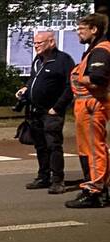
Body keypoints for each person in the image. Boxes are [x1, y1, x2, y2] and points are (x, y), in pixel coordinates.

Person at [15, 31, 74, 194]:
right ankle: (43, 176)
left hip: (52, 111)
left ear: (51, 42)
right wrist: (25, 88)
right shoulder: (38, 60)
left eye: (40, 43)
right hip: (35, 111)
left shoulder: (63, 60)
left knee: (53, 145)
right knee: (40, 145)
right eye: (35, 43)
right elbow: (34, 79)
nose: (36, 46)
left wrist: (58, 107)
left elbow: (71, 86)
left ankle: (58, 180)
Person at [65, 12, 110, 209]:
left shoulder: (101, 51)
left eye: (81, 29)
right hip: (87, 105)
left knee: (93, 149)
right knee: (89, 149)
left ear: (94, 30)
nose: (78, 33)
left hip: (92, 106)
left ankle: (95, 191)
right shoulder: (94, 50)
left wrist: (80, 79)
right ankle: (95, 187)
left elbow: (98, 78)